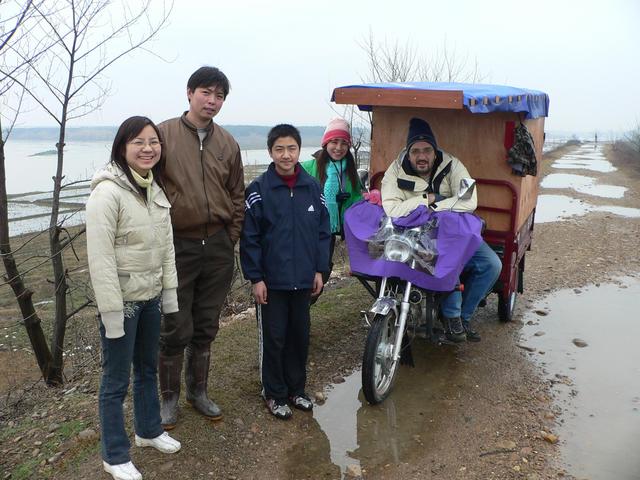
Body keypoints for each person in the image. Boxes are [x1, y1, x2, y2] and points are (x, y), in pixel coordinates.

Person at [86, 116, 181, 480]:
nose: (147, 148)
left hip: (151, 296)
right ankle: (114, 454)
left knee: (147, 369)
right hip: (122, 303)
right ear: (122, 147)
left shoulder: (154, 188)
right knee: (115, 382)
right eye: (138, 142)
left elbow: (167, 246)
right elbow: (101, 260)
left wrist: (168, 292)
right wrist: (111, 311)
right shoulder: (107, 192)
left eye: (153, 141)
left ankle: (149, 430)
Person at [158, 66, 245, 429]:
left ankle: (198, 392)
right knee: (175, 324)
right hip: (178, 245)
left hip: (219, 247)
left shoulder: (228, 143)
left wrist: (231, 236)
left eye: (219, 95)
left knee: (207, 324)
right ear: (189, 92)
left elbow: (237, 194)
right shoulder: (162, 135)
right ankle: (168, 399)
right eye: (206, 92)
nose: (212, 101)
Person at [381, 117, 502, 343]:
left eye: (427, 150)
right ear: (408, 153)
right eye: (415, 151)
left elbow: (469, 201)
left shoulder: (453, 165)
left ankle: (460, 319)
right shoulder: (395, 171)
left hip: (454, 234)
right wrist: (428, 199)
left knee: (491, 265)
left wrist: (436, 207)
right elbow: (392, 209)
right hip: (414, 236)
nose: (422, 156)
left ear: (434, 152)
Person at [240, 124, 331, 419]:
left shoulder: (312, 188)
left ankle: (297, 390)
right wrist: (256, 278)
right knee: (275, 338)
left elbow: (322, 233)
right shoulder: (258, 190)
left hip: (304, 279)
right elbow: (250, 237)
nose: (286, 154)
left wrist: (320, 270)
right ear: (270, 152)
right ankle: (274, 393)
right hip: (272, 282)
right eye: (279, 149)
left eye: (291, 148)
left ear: (299, 150)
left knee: (299, 336)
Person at [301, 118, 363, 300]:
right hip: (306, 229)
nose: (339, 147)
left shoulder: (350, 172)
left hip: (328, 233)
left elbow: (357, 198)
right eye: (334, 142)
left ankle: (303, 310)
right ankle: (298, 315)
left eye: (344, 143)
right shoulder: (308, 167)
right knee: (304, 272)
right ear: (326, 143)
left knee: (322, 273)